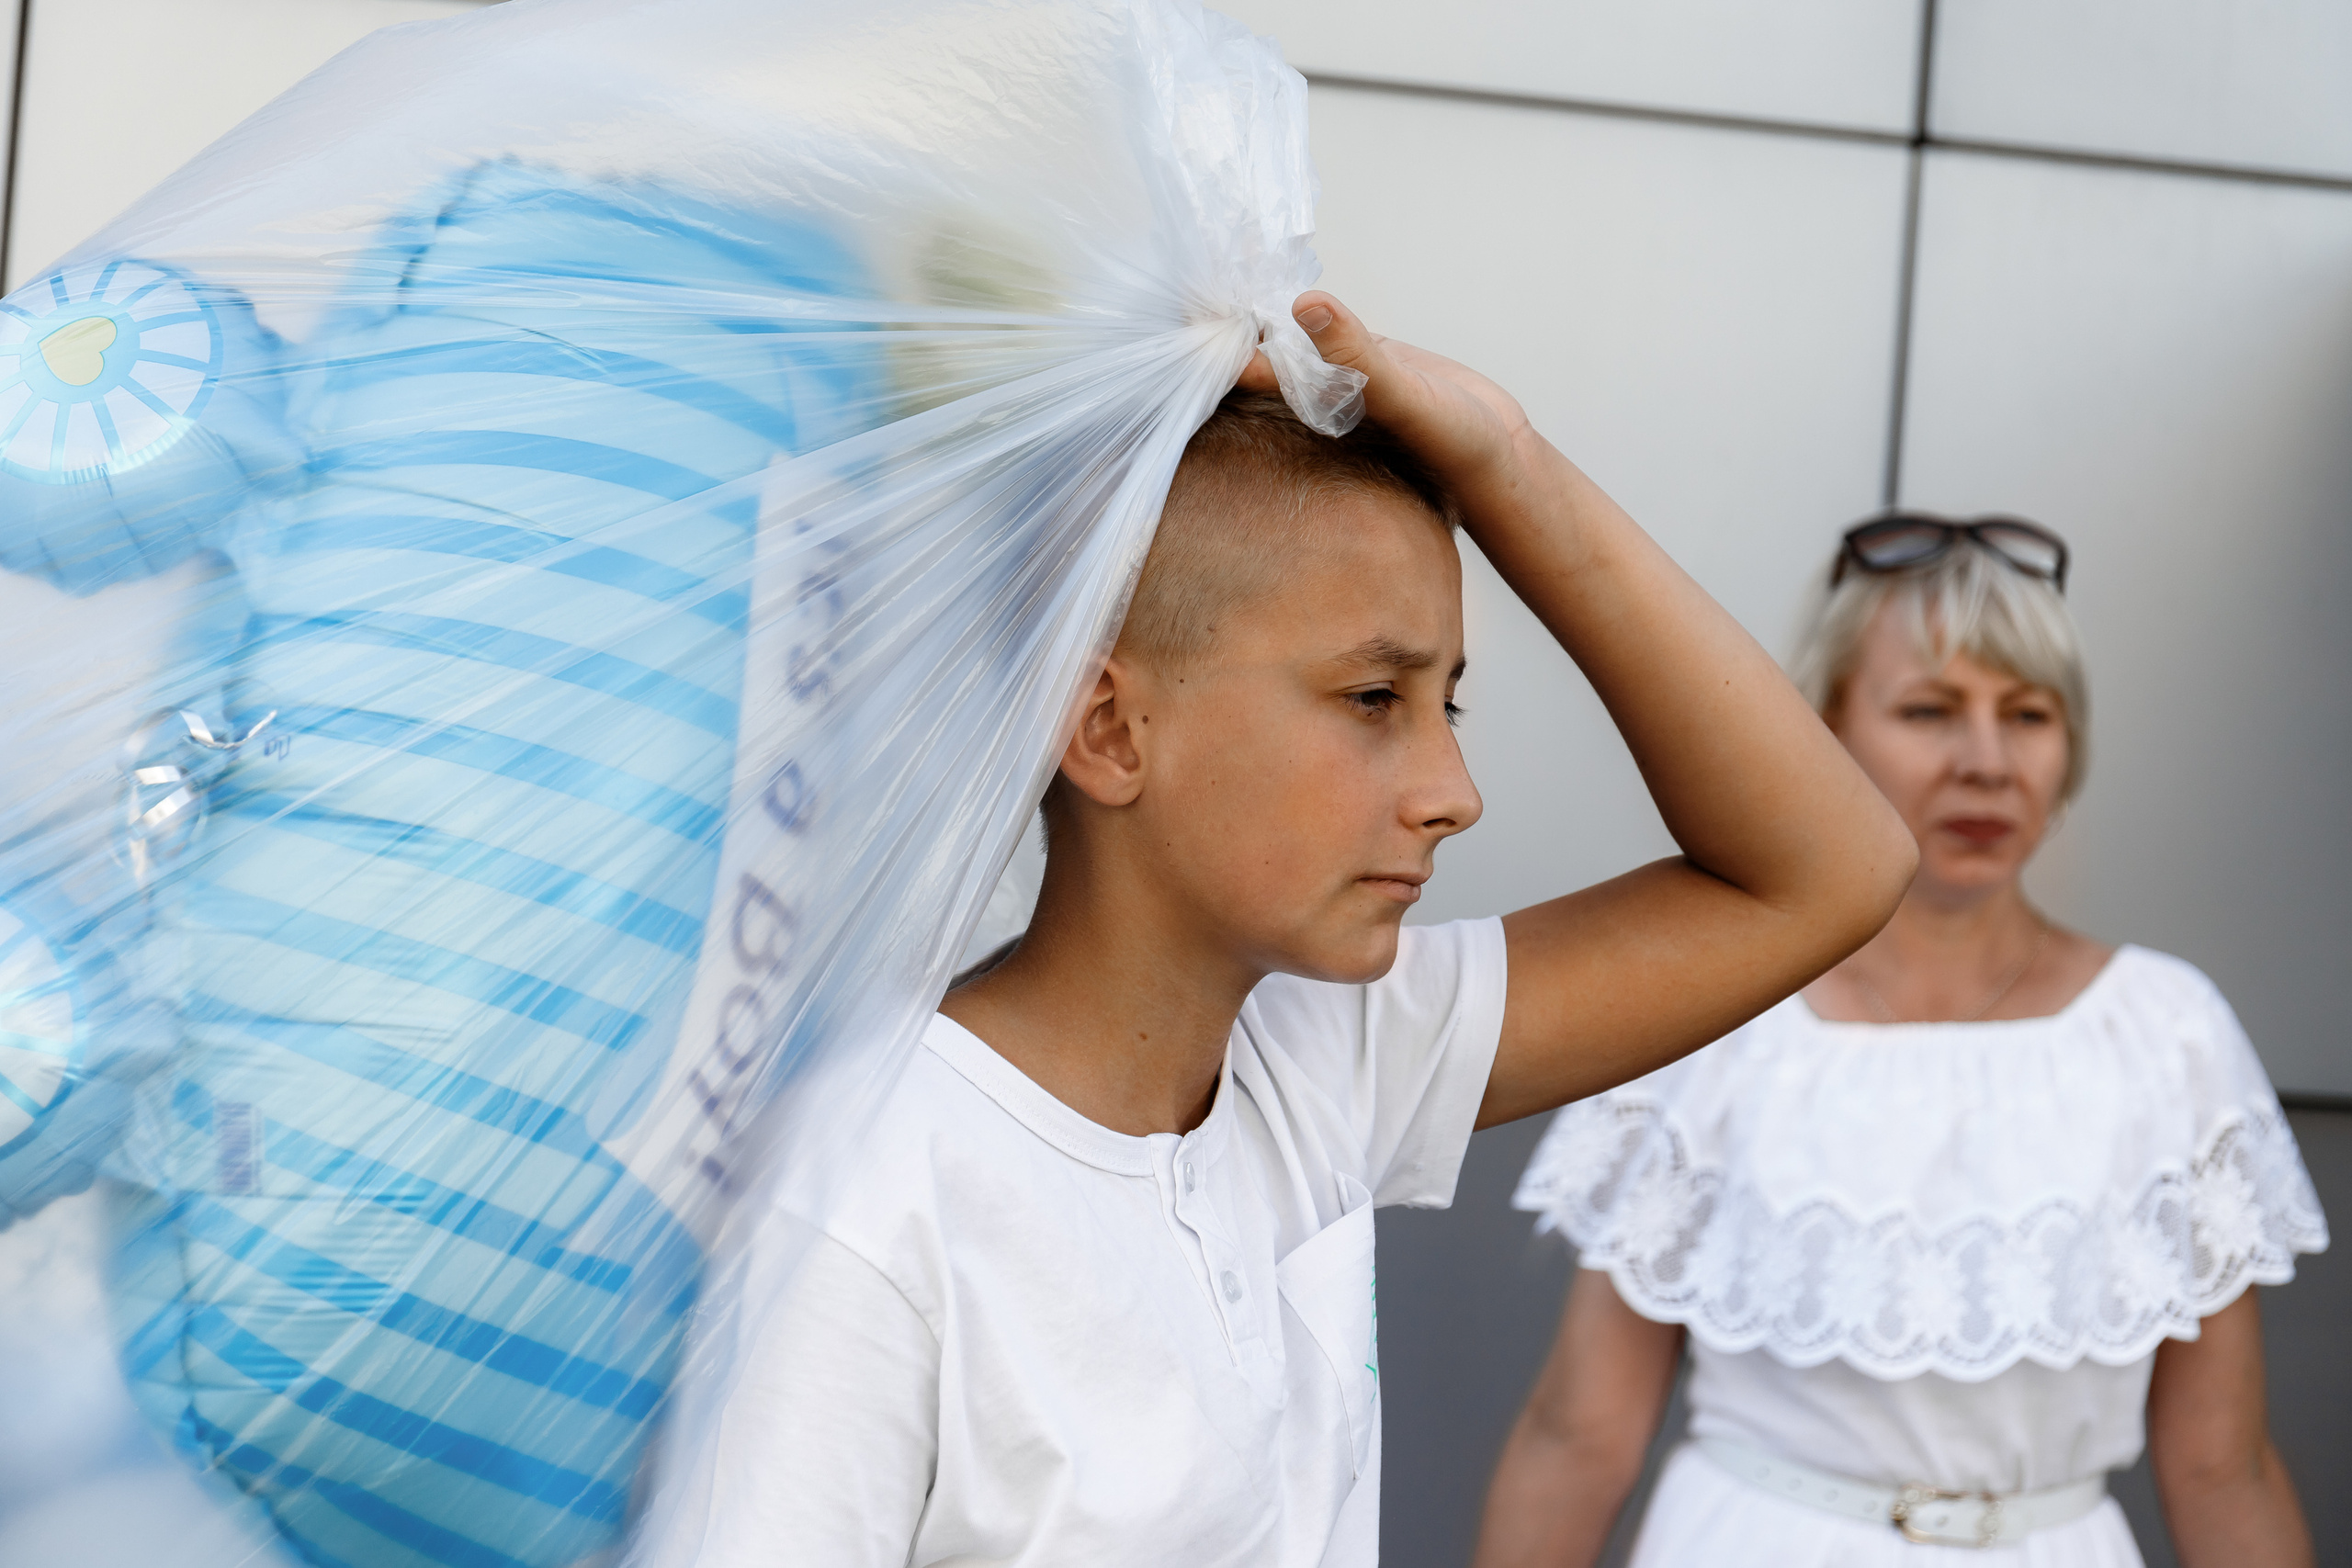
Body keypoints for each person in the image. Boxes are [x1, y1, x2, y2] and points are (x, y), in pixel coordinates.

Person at [649, 297, 1917, 1567]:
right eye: (1372, 697)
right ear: (1110, 729)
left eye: (1446, 703)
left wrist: (1506, 457)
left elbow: (1834, 872)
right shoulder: (872, 1198)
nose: (1454, 792)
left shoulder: (1315, 1055)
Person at [1479, 514, 2329, 1568]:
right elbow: (1579, 1435)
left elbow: (2220, 1468)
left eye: (2027, 714)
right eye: (1929, 710)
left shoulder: (2165, 1033)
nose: (1986, 762)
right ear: (1825, 728)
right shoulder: (1717, 1016)